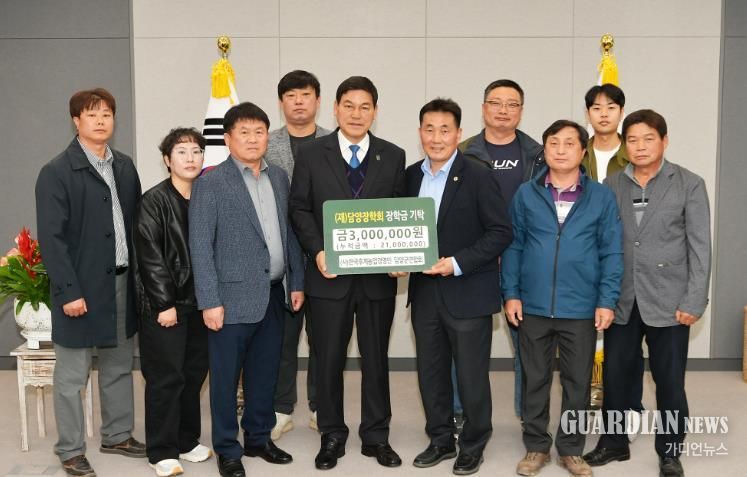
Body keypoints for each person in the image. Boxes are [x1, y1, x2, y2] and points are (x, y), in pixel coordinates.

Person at [583, 110, 711, 477]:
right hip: (621, 300)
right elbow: (601, 243)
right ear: (625, 145)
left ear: (664, 141)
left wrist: (694, 299)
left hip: (670, 302)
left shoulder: (689, 183)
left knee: (669, 381)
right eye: (633, 140)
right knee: (616, 378)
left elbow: (700, 246)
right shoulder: (611, 185)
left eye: (648, 139)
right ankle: (613, 442)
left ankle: (670, 450)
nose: (640, 146)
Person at [289, 76, 406, 470]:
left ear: (375, 111)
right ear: (335, 109)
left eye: (365, 107)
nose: (357, 114)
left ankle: (376, 436)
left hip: (377, 281)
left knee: (376, 359)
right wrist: (317, 250)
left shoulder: (393, 155)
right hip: (328, 278)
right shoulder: (311, 154)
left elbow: (399, 211)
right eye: (349, 106)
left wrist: (400, 254)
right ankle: (332, 434)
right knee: (327, 360)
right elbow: (299, 208)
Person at [189, 102, 305, 477]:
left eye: (259, 132)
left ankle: (258, 437)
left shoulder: (279, 178)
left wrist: (296, 282)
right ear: (227, 138)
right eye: (244, 132)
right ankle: (227, 448)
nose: (253, 139)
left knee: (264, 374)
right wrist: (209, 301)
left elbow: (289, 234)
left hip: (274, 294)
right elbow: (200, 247)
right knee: (225, 380)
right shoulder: (210, 182)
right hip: (229, 300)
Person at [502, 120, 623, 477]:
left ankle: (571, 449)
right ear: (545, 149)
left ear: (583, 152)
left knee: (577, 383)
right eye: (553, 142)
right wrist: (511, 293)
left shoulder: (600, 196)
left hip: (581, 306)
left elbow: (611, 251)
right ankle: (536, 446)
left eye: (569, 143)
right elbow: (513, 246)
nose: (560, 149)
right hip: (533, 305)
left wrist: (607, 300)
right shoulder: (526, 193)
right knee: (534, 379)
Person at [35, 88, 145, 477]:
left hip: (121, 283)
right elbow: (52, 240)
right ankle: (70, 449)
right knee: (71, 375)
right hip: (80, 290)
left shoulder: (125, 167)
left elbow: (136, 225)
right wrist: (68, 291)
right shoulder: (56, 171)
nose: (100, 121)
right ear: (76, 121)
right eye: (91, 114)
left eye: (107, 114)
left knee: (118, 365)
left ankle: (117, 435)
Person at [406, 98, 513, 475]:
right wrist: (395, 261)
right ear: (420, 133)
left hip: (468, 292)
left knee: (470, 377)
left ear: (459, 134)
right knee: (430, 372)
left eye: (445, 130)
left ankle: (473, 443)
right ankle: (439, 439)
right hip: (424, 295)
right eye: (429, 129)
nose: (436, 138)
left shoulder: (478, 175)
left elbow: (500, 232)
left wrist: (456, 263)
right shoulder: (410, 177)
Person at [459, 79, 544, 421]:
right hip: (474, 262)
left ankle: (529, 416)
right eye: (496, 103)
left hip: (523, 264)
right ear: (483, 108)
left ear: (521, 111)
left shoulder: (539, 155)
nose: (503, 110)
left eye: (512, 104)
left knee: (529, 347)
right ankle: (460, 413)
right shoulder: (461, 152)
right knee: (464, 346)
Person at [134, 128, 212, 477]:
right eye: (181, 152)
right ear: (168, 160)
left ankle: (186, 439)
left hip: (199, 302)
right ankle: (162, 450)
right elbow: (150, 257)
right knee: (165, 378)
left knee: (193, 375)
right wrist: (164, 303)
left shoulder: (206, 196)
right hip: (165, 306)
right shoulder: (154, 201)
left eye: (196, 151)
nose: (190, 158)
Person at [265, 70, 331, 439]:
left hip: (325, 258)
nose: (299, 102)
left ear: (318, 101)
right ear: (282, 103)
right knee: (282, 340)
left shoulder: (334, 142)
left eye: (305, 95)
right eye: (291, 96)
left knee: (324, 338)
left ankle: (322, 407)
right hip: (280, 259)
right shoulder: (265, 143)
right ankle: (280, 408)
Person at [580, 83, 629, 182]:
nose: (604, 114)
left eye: (611, 108)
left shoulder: (632, 153)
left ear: (621, 113)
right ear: (588, 115)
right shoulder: (579, 154)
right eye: (597, 108)